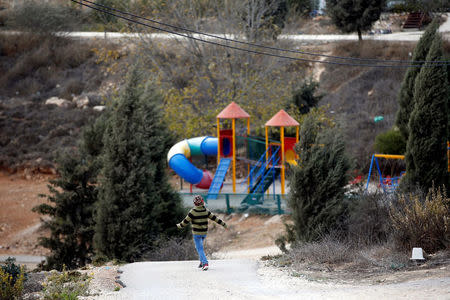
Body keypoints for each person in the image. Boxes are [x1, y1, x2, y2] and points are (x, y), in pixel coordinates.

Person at [176, 195, 227, 271]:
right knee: (199, 247)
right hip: (204, 233)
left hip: (196, 233)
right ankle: (201, 261)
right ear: (202, 202)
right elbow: (215, 218)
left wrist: (179, 226)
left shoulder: (192, 212)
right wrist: (223, 224)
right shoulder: (205, 211)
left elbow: (185, 222)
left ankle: (205, 263)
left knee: (199, 248)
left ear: (194, 203)